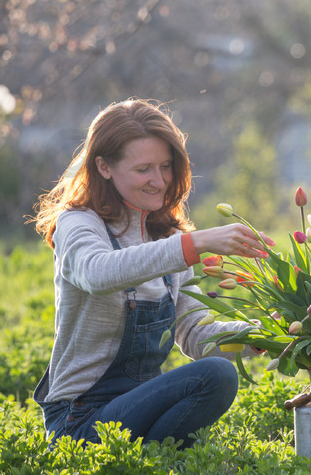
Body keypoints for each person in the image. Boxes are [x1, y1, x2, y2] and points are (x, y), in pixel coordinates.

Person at [31, 98, 266, 448]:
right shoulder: (78, 224)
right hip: (79, 421)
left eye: (166, 167)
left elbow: (196, 335)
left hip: (137, 409)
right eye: (144, 170)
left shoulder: (167, 239)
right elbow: (98, 273)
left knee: (218, 374)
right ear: (104, 167)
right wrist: (195, 243)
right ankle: (157, 466)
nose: (159, 181)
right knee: (215, 375)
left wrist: (266, 335)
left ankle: (152, 471)